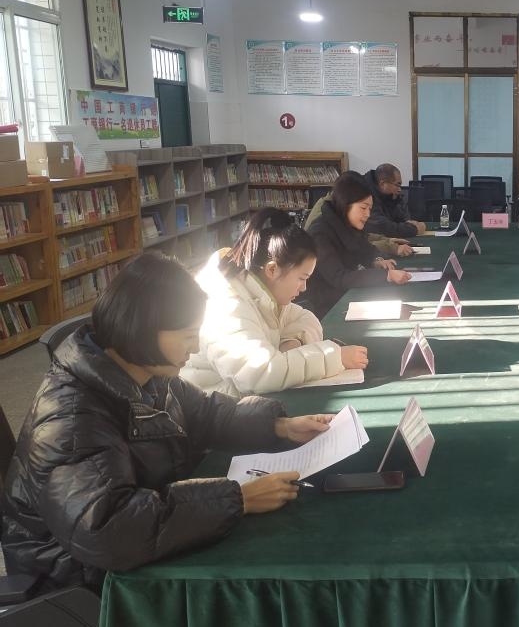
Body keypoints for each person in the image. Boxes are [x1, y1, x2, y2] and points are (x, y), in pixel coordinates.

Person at [0, 252, 334, 591]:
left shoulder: (145, 371)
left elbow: (205, 413)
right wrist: (238, 499)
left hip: (128, 544)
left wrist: (279, 426)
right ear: (144, 331)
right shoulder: (70, 418)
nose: (195, 347)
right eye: (188, 336)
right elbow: (109, 528)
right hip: (78, 582)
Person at [181, 208, 368, 397]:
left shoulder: (261, 293)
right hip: (216, 407)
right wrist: (335, 357)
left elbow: (306, 318)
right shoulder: (226, 306)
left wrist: (292, 341)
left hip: (243, 403)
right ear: (272, 270)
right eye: (301, 278)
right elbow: (260, 373)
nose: (304, 288)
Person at [299, 171, 412, 319]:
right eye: (363, 208)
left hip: (348, 296)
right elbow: (339, 277)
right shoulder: (320, 233)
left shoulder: (346, 223)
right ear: (346, 204)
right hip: (326, 309)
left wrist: (377, 260)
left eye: (370, 209)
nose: (368, 215)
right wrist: (387, 275)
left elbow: (366, 248)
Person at [305, 192, 414, 258]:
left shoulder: (336, 208)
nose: (367, 214)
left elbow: (360, 236)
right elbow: (353, 248)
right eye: (363, 207)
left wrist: (386, 239)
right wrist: (390, 247)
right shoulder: (327, 218)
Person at [365, 163, 426, 238]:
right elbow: (381, 227)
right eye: (397, 185)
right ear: (383, 184)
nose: (399, 189)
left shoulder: (390, 196)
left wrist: (408, 224)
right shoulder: (365, 195)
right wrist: (414, 229)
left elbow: (403, 219)